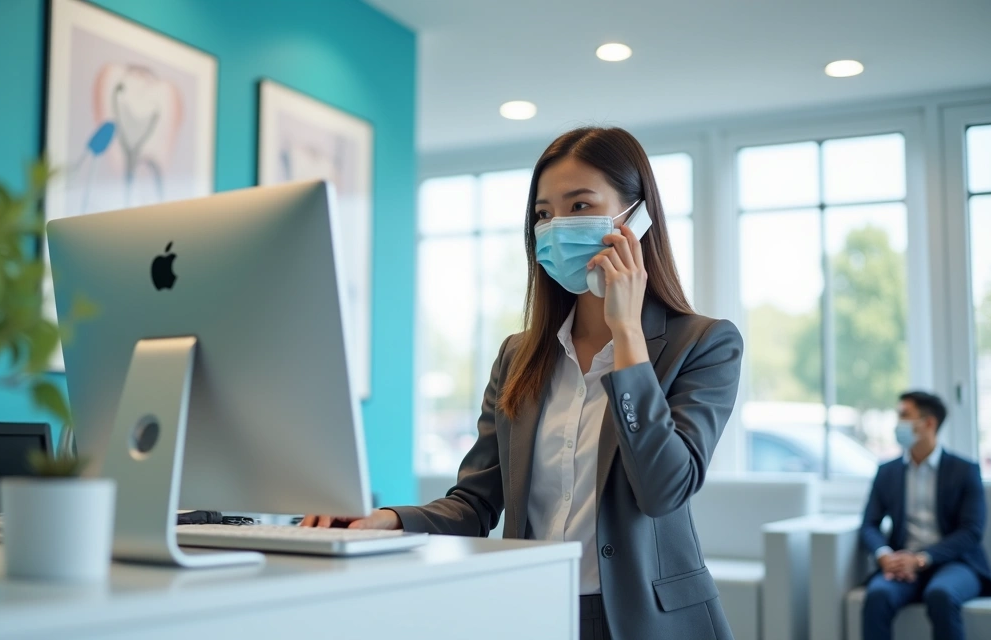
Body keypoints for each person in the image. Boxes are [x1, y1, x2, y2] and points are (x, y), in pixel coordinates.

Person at [303, 127, 743, 640]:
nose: (557, 226)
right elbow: (475, 503)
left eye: (580, 206)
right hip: (534, 610)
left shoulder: (705, 344)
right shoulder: (519, 356)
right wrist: (387, 520)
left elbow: (663, 489)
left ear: (637, 218)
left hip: (652, 623)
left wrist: (627, 336)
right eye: (543, 214)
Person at [860, 391, 991, 640]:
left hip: (956, 563)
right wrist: (884, 555)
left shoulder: (965, 470)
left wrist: (922, 559)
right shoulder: (887, 472)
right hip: (901, 563)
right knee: (878, 595)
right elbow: (869, 524)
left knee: (941, 595)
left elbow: (971, 531)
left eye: (904, 415)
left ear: (929, 422)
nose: (897, 424)